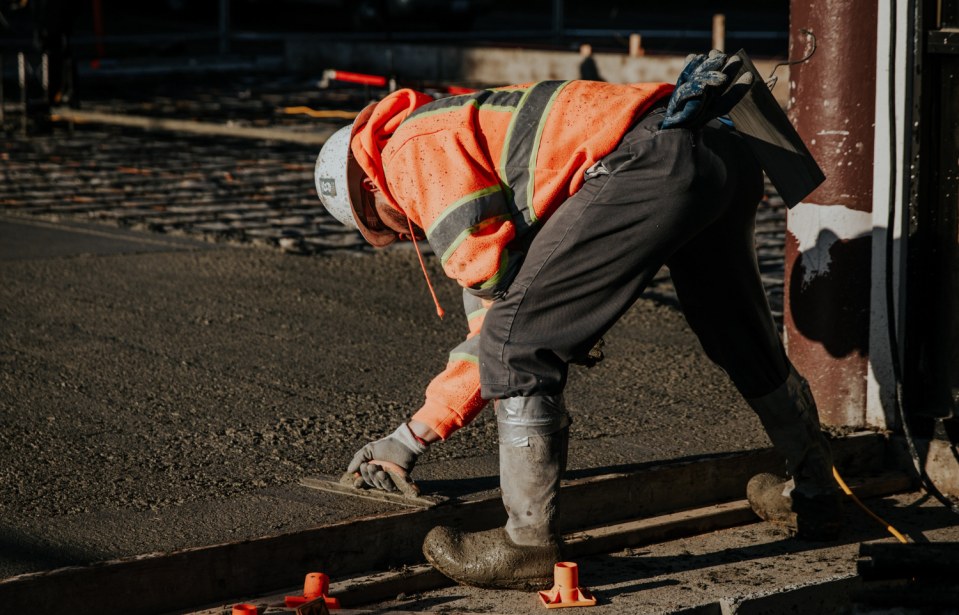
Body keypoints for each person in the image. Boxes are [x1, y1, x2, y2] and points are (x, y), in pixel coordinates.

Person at [313, 51, 843, 591]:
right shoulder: (460, 130)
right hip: (717, 148)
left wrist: (409, 438)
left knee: (518, 345)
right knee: (739, 335)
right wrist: (413, 437)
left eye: (383, 226)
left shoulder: (411, 155)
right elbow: (501, 305)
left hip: (652, 158)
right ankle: (816, 490)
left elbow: (501, 327)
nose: (405, 235)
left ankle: (526, 544)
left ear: (369, 189)